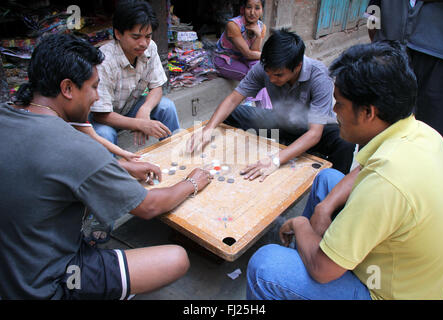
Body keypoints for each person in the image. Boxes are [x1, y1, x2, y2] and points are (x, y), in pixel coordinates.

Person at [0, 33, 212, 300]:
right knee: (176, 258)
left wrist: (121, 166)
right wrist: (192, 182)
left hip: (10, 264)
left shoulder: (7, 112)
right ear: (67, 88)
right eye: (93, 87)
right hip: (44, 284)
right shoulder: (74, 146)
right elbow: (149, 207)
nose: (96, 97)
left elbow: (48, 167)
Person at [246, 41, 443, 300]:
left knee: (265, 265)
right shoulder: (423, 133)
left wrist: (300, 224)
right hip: (408, 270)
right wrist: (324, 206)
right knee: (327, 179)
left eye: (340, 103)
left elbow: (323, 270)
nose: (334, 110)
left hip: (382, 292)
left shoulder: (385, 183)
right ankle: (301, 263)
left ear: (368, 112)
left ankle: (299, 264)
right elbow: (364, 167)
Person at [187, 29, 355, 178]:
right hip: (281, 122)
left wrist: (275, 160)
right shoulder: (263, 68)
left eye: (279, 75)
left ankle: (333, 195)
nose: (272, 79)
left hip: (314, 130)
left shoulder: (319, 76)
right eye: (269, 73)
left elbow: (314, 134)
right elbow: (233, 98)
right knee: (234, 112)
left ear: (297, 66)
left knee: (345, 141)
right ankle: (226, 158)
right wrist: (209, 128)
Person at [90, 0, 180, 148]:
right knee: (105, 134)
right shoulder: (104, 61)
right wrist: (139, 123)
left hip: (129, 108)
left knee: (166, 107)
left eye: (148, 36)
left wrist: (145, 110)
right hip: (105, 118)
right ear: (118, 34)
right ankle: (113, 170)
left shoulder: (150, 48)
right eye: (136, 37)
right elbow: (101, 114)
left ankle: (174, 154)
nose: (143, 43)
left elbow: (157, 87)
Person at [367, 0, 443, 147]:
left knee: (429, 130)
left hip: (438, 60)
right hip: (388, 53)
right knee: (376, 122)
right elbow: (372, 12)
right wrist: (377, 44)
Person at [214, 0, 271, 109]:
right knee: (255, 76)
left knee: (260, 71)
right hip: (224, 60)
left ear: (262, 11)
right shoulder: (234, 25)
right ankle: (258, 108)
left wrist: (258, 36)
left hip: (243, 60)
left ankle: (266, 112)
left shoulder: (261, 27)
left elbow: (255, 53)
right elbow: (248, 54)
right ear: (243, 9)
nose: (252, 12)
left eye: (257, 8)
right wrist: (268, 56)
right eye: (249, 7)